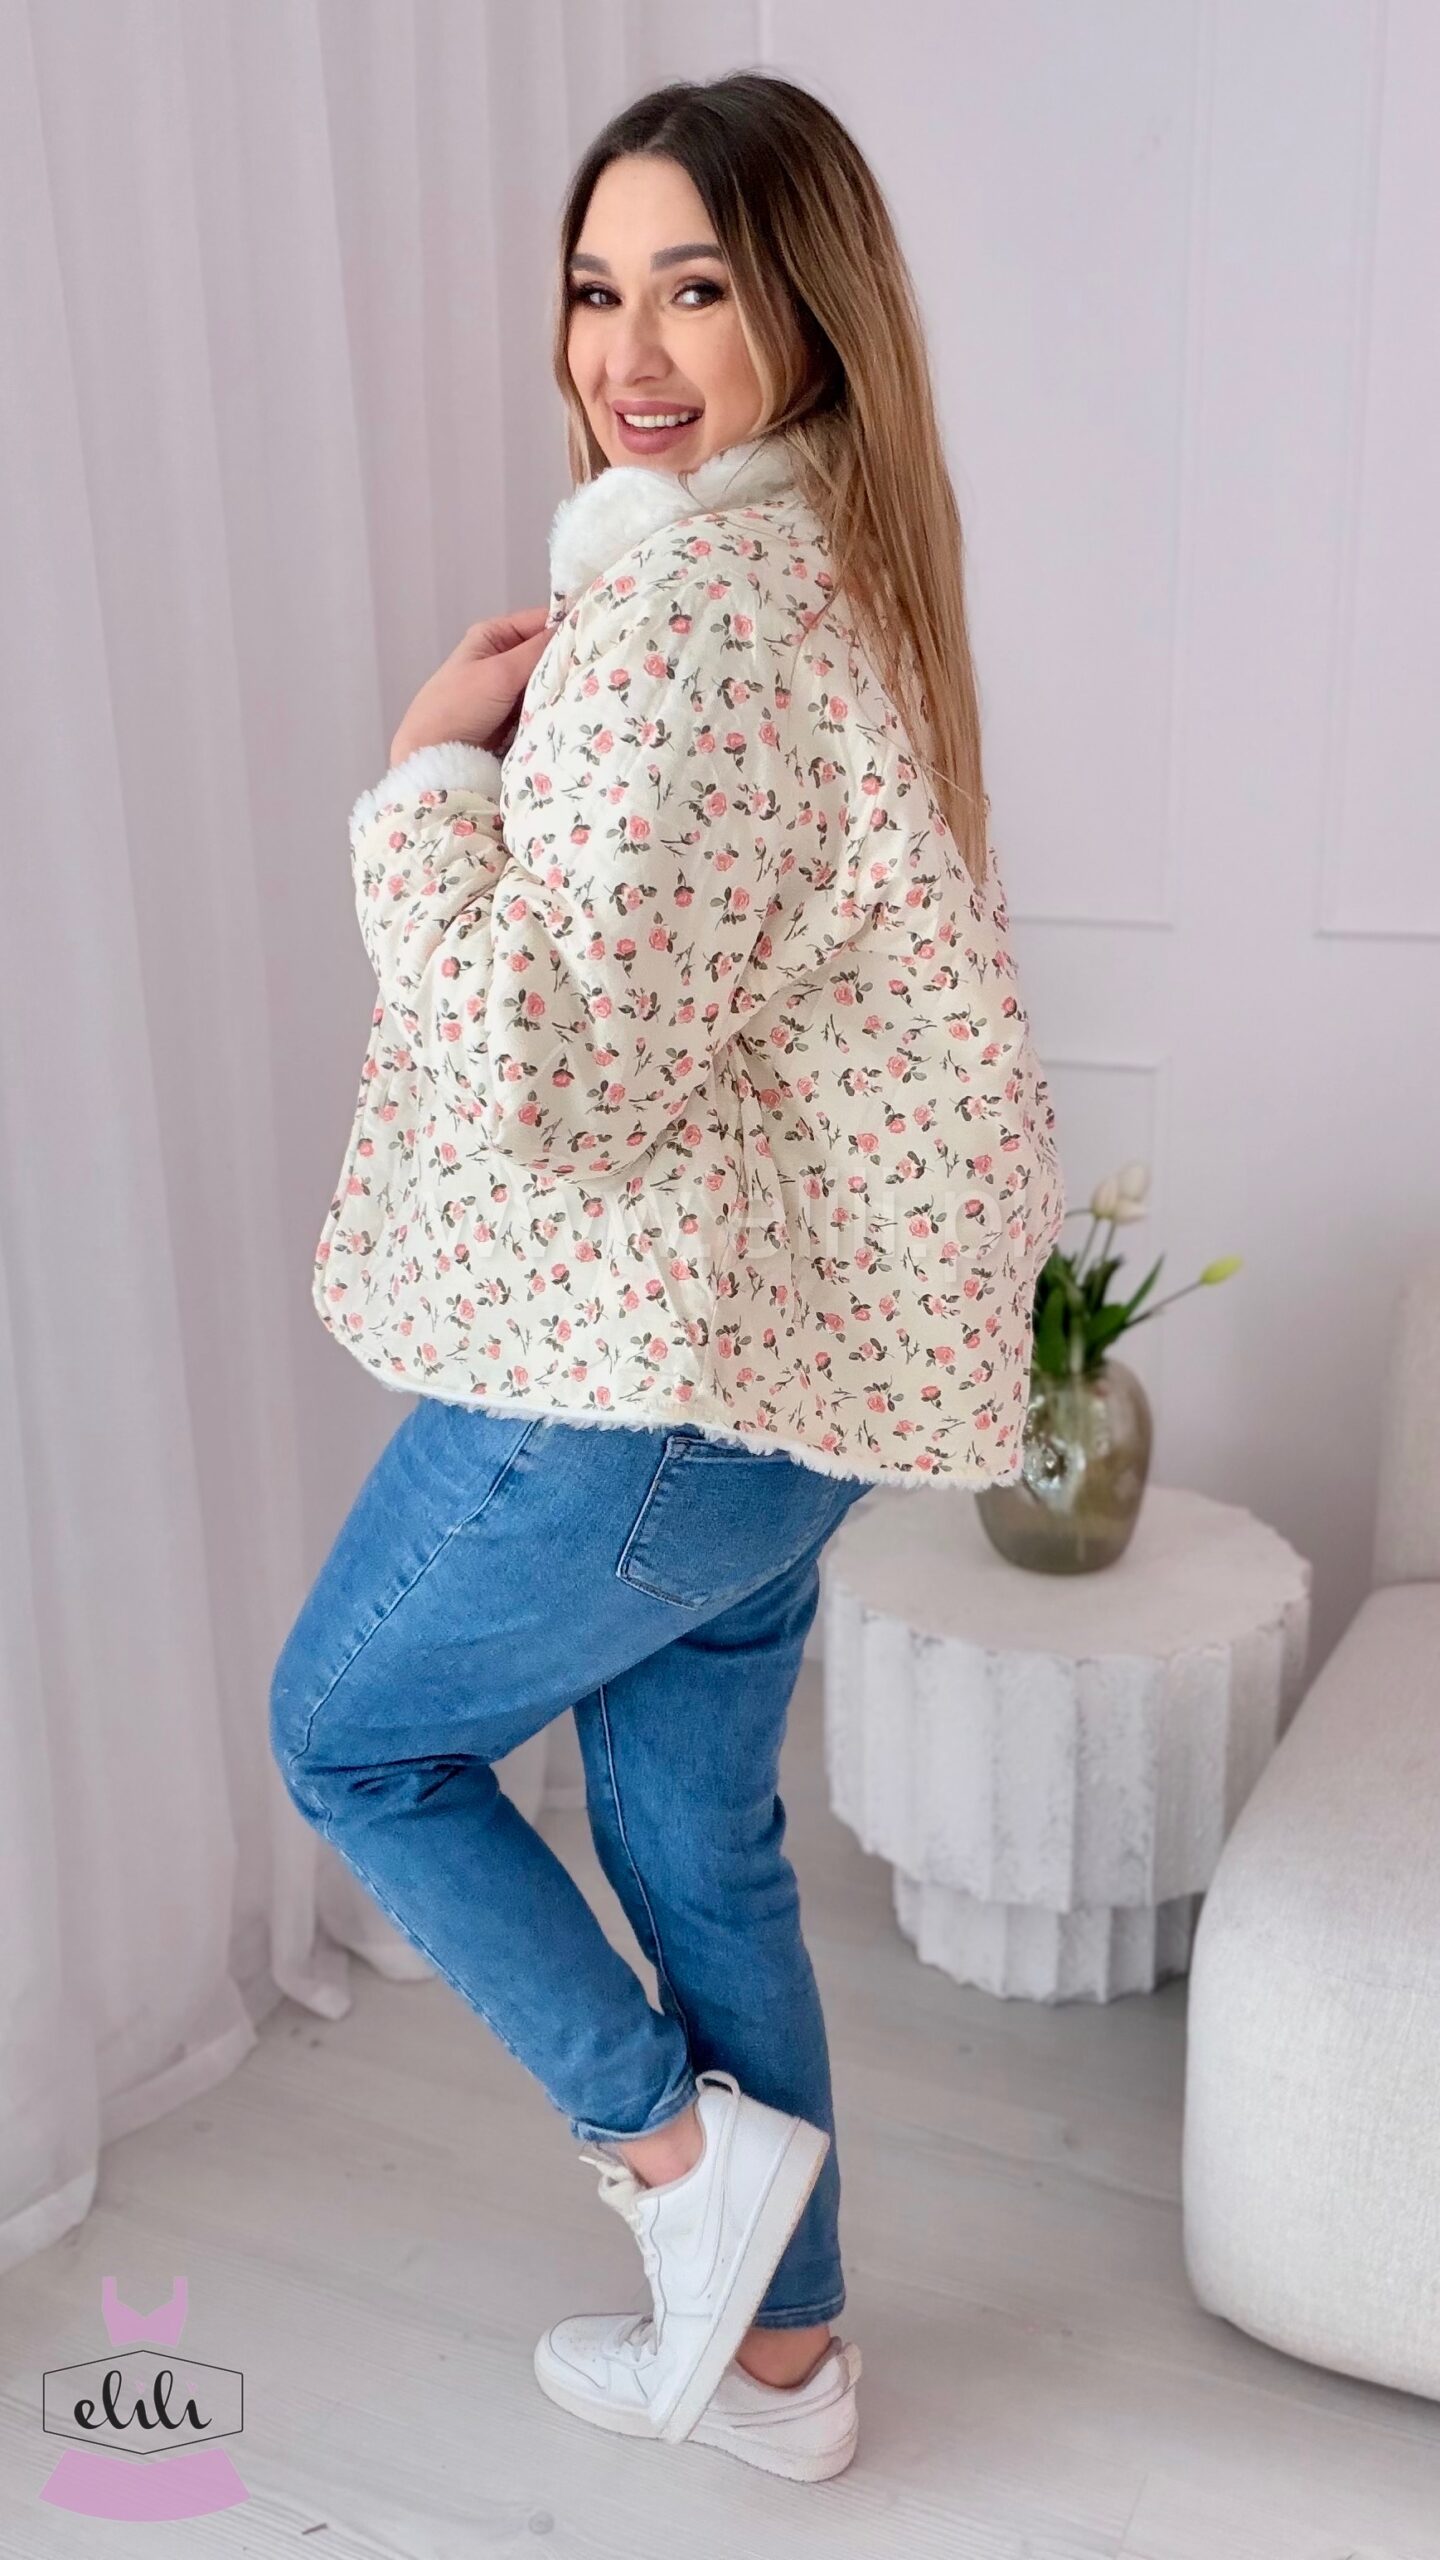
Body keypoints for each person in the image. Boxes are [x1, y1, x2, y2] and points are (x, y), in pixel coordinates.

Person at [270, 70, 1065, 2484]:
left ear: (803, 314)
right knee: (697, 1837)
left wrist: (426, 779)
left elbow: (553, 1078)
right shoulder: (841, 574)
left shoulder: (684, 618)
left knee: (351, 1733)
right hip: (791, 1383)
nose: (626, 349)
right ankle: (788, 2371)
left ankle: (683, 2164)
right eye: (594, 287)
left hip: (651, 1378)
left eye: (694, 287)